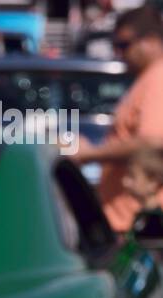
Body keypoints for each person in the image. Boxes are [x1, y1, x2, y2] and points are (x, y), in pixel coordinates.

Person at [71, 5, 163, 231]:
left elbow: (152, 142)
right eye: (115, 46)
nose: (118, 54)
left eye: (124, 45)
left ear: (150, 41)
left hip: (141, 225)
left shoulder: (158, 80)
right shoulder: (148, 79)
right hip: (130, 221)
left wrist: (88, 154)